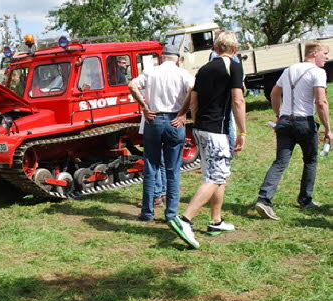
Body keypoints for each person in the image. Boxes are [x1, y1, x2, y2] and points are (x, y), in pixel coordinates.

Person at [168, 31, 246, 249]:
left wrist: (192, 119)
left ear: (215, 48)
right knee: (216, 176)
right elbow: (238, 101)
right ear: (235, 49)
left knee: (215, 174)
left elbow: (193, 98)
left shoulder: (203, 69)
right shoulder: (234, 66)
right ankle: (184, 220)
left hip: (200, 129)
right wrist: (242, 132)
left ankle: (216, 221)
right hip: (217, 131)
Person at [255, 41, 331, 219]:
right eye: (325, 53)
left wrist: (279, 115)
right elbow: (321, 102)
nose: (327, 57)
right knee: (310, 160)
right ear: (314, 53)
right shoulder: (318, 72)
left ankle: (264, 199)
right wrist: (328, 129)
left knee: (280, 162)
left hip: (285, 122)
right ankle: (305, 199)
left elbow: (274, 93)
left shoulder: (289, 70)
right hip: (304, 122)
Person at [129, 44, 194, 222]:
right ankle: (171, 214)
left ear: (162, 57)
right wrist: (183, 112)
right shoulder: (183, 74)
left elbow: (132, 85)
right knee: (173, 170)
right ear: (177, 59)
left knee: (151, 166)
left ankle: (147, 212)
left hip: (154, 119)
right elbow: (193, 90)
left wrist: (144, 107)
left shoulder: (151, 72)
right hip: (175, 121)